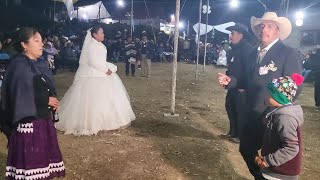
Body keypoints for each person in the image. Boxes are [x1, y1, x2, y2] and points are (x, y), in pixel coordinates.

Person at [218, 12, 303, 179]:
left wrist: (279, 109)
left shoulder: (287, 53)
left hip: (273, 116)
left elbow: (295, 85)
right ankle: (259, 177)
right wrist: (231, 81)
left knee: (272, 158)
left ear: (278, 31)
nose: (264, 30)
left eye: (270, 26)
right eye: (262, 26)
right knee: (246, 148)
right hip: (252, 112)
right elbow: (244, 80)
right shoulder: (252, 53)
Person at [0, 27, 65, 179]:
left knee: (43, 160)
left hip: (43, 119)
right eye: (36, 41)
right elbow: (19, 96)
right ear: (24, 44)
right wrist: (46, 100)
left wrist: (52, 100)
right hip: (28, 122)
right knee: (31, 164)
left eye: (41, 40)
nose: (41, 44)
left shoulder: (40, 63)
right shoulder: (19, 66)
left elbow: (43, 88)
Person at [56, 25, 136, 136]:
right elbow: (93, 62)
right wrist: (105, 69)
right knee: (93, 99)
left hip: (101, 72)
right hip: (94, 75)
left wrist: (109, 67)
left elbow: (101, 60)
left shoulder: (99, 45)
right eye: (101, 32)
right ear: (94, 34)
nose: (103, 34)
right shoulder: (92, 46)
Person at [256, 73, 304, 180]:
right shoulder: (277, 112)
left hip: (281, 172)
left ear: (279, 97)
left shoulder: (285, 118)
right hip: (274, 169)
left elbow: (291, 148)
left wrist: (268, 161)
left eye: (270, 94)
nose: (266, 96)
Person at [221, 23, 253, 143]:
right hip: (233, 87)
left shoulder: (247, 49)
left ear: (241, 35)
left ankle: (241, 136)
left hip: (242, 89)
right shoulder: (233, 49)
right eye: (230, 34)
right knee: (230, 107)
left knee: (241, 112)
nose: (230, 36)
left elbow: (250, 70)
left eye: (232, 33)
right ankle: (233, 132)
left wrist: (244, 86)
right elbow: (231, 68)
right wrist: (226, 80)